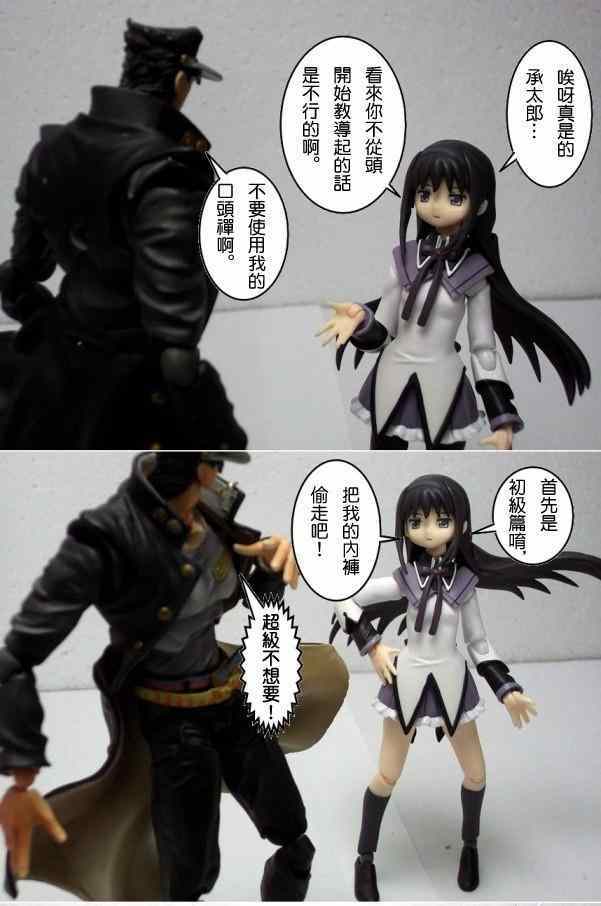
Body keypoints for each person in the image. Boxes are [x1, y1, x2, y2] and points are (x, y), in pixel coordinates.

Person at [0, 452, 343, 901]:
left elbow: (249, 592)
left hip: (226, 696)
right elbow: (17, 656)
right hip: (171, 720)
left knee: (292, 831)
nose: (217, 474)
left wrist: (271, 571)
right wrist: (21, 779)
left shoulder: (213, 509)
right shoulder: (106, 539)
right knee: (189, 870)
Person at [331, 474, 601, 899]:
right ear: (405, 527)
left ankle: (470, 846)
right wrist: (374, 647)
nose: (428, 531)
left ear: (460, 524)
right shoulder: (405, 579)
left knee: (476, 774)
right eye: (417, 521)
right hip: (406, 681)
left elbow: (479, 644)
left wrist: (506, 689)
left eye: (441, 521)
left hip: (453, 684)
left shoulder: (465, 585)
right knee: (386, 774)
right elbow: (343, 596)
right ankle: (365, 858)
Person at [0, 20, 246, 450]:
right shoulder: (167, 174)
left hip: (58, 340)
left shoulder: (54, 146)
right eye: (190, 82)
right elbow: (173, 323)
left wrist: (28, 297)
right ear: (179, 81)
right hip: (125, 372)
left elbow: (23, 266)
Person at [318, 140, 590, 450]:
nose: (436, 206)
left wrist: (501, 415)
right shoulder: (404, 259)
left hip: (443, 383)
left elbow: (483, 348)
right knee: (384, 461)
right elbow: (384, 331)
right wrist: (361, 323)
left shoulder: (474, 272)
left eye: (455, 197)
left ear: (481, 205)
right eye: (425, 194)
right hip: (391, 377)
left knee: (446, 461)